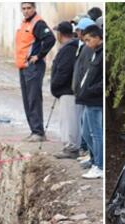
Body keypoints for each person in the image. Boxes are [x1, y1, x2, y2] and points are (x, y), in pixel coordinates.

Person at [15, 2, 55, 142]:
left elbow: (50, 39)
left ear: (34, 8)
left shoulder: (38, 24)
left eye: (28, 8)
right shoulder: (24, 23)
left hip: (33, 67)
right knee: (27, 100)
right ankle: (34, 130)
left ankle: (38, 132)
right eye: (24, 8)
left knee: (33, 99)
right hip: (23, 66)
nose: (26, 11)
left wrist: (39, 56)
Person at [75, 23, 103, 179]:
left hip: (94, 100)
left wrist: (90, 90)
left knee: (96, 134)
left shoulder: (101, 54)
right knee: (86, 133)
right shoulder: (94, 52)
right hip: (87, 99)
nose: (86, 44)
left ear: (97, 38)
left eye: (88, 40)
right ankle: (95, 160)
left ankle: (99, 165)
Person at [50, 22, 79, 158]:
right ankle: (70, 147)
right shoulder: (70, 47)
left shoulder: (68, 49)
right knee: (68, 120)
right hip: (66, 91)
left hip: (67, 91)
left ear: (60, 34)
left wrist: (55, 86)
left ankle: (71, 148)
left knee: (69, 121)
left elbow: (63, 71)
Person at [71, 17, 95, 165]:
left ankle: (94, 159)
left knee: (91, 131)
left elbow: (87, 72)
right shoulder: (82, 46)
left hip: (88, 95)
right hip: (82, 93)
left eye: (79, 30)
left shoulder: (89, 48)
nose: (77, 32)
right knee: (85, 128)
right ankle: (91, 156)